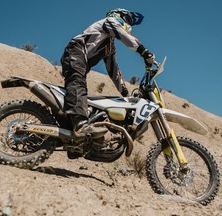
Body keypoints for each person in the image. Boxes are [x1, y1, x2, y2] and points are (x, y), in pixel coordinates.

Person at [60, 8, 155, 137]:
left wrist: (125, 93)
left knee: (80, 86)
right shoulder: (109, 21)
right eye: (128, 20)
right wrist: (143, 52)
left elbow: (113, 70)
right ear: (119, 15)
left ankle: (71, 134)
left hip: (79, 60)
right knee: (78, 81)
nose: (129, 24)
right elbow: (123, 34)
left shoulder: (109, 44)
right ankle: (80, 124)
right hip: (75, 51)